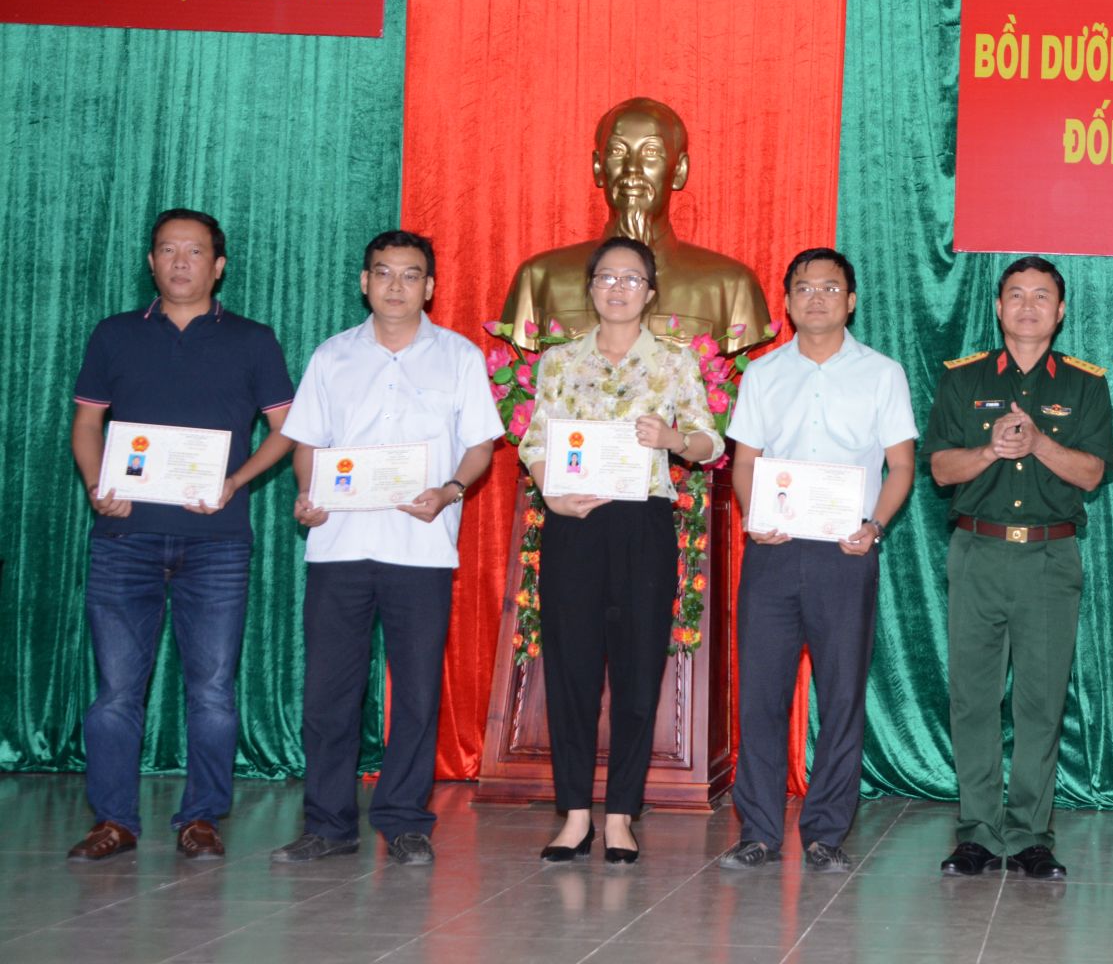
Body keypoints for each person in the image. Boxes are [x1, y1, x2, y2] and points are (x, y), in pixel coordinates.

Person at [67, 209, 295, 861]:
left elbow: (286, 429)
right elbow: (87, 424)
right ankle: (113, 821)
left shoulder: (252, 339)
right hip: (125, 537)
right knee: (115, 692)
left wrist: (236, 481)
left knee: (213, 691)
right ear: (151, 262)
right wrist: (96, 484)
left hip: (216, 541)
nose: (180, 262)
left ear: (218, 266)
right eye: (168, 250)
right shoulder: (114, 334)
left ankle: (200, 819)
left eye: (194, 252)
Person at [270, 231, 503, 866]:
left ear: (430, 287)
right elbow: (308, 444)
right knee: (329, 694)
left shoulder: (458, 356)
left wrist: (451, 490)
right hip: (338, 546)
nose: (395, 286)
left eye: (410, 275)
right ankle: (328, 824)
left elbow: (480, 445)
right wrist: (308, 493)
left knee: (418, 693)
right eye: (383, 273)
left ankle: (404, 820)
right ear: (364, 282)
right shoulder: (332, 356)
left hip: (420, 548)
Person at [519, 237, 722, 862]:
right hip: (574, 524)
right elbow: (535, 441)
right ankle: (575, 814)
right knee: (572, 671)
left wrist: (674, 439)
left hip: (642, 526)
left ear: (650, 292)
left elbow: (711, 444)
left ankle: (621, 816)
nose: (617, 288)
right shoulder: (559, 362)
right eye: (606, 277)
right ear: (590, 287)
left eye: (631, 279)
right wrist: (551, 494)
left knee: (637, 675)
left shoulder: (674, 363)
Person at [718, 248, 917, 873]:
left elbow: (901, 465)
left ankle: (826, 832)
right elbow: (744, 461)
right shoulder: (763, 373)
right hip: (773, 552)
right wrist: (754, 515)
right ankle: (757, 831)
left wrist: (874, 526)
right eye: (804, 288)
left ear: (850, 301)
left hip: (845, 553)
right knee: (761, 696)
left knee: (841, 694)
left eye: (831, 288)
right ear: (787, 302)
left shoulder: (882, 374)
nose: (817, 298)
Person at [927, 255, 1113, 881]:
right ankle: (977, 833)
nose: (1028, 306)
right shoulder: (962, 379)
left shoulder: (1085, 385)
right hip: (977, 553)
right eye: (1016, 294)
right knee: (973, 699)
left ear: (1060, 312)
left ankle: (1031, 834)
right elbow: (940, 469)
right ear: (997, 307)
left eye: (1041, 296)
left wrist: (1039, 444)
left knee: (1041, 701)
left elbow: (1092, 473)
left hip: (1050, 558)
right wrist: (989, 450)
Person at [500, 98, 770, 350]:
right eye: (617, 151)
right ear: (598, 167)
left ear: (679, 171)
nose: (632, 168)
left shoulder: (730, 287)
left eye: (651, 152)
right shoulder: (540, 279)